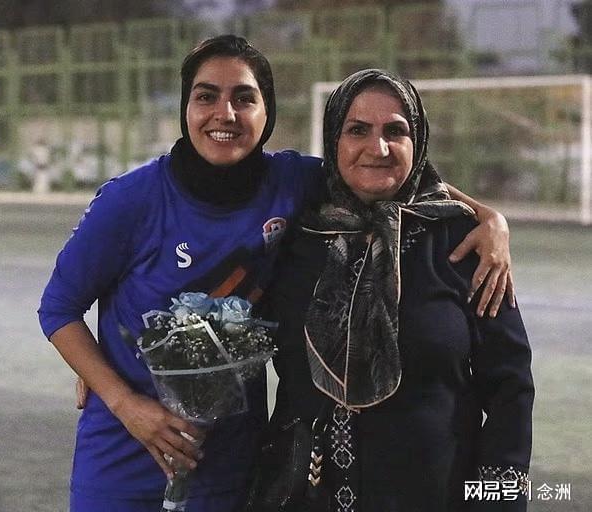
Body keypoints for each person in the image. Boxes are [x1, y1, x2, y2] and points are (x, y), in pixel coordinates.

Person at [39, 36, 515, 512]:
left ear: (268, 112)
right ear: (186, 107)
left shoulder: (292, 182)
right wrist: (123, 401)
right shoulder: (131, 199)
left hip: (227, 468)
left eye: (244, 98)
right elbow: (59, 307)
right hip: (124, 460)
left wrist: (487, 217)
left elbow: (382, 169)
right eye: (206, 96)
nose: (225, 114)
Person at [262, 69, 534, 512]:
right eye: (357, 130)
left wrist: (499, 500)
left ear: (418, 141)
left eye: (395, 131)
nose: (379, 148)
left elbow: (511, 389)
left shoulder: (463, 243)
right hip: (303, 495)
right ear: (333, 140)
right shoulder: (297, 238)